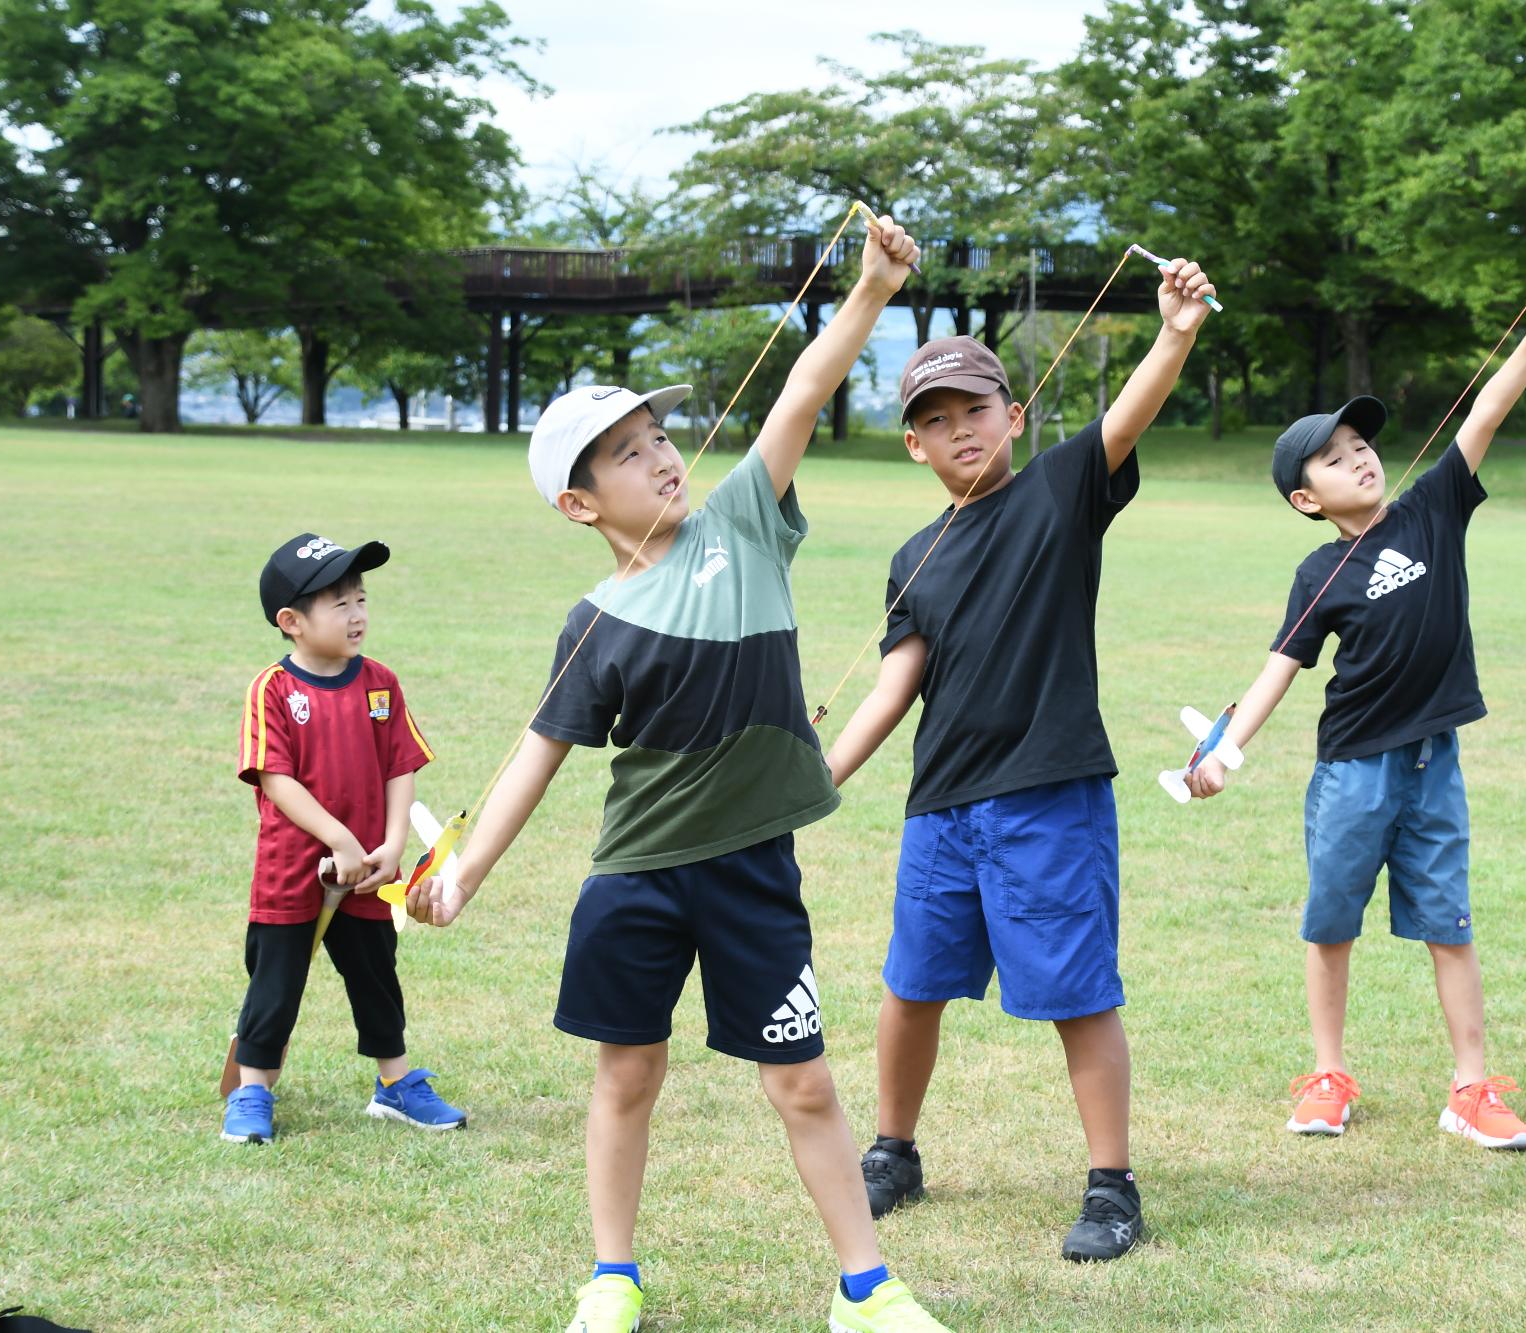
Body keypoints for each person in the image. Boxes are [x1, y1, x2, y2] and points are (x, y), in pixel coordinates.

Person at [406, 218, 954, 1333]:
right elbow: (539, 753)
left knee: (800, 1080)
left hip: (752, 873)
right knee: (626, 1076)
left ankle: (866, 1286)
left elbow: (797, 393)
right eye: (623, 451)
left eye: (657, 433)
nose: (659, 454)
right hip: (636, 880)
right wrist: (460, 873)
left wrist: (868, 293)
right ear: (578, 503)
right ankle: (611, 1275)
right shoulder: (593, 620)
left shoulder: (741, 525)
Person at [824, 257, 1219, 1262]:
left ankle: (1110, 1185)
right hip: (941, 808)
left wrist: (1171, 331)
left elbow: (1124, 418)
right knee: (910, 987)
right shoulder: (911, 557)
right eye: (939, 418)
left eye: (979, 407)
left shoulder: (1058, 491)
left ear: (1015, 414)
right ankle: (892, 1152)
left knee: (1077, 992)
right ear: (913, 444)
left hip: (1048, 797)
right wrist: (818, 776)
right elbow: (893, 685)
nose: (963, 428)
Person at [1186, 268, 1526, 1150]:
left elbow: (1484, 412)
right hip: (1352, 772)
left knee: (1451, 921)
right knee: (1332, 921)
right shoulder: (1316, 574)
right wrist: (1223, 752)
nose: (1359, 455)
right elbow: (1279, 670)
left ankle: (1472, 1087)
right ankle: (1328, 1074)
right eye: (1333, 457)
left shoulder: (1433, 508)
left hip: (1432, 763)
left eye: (1360, 443)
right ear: (1306, 498)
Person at [225, 533, 463, 1144]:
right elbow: (275, 779)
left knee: (377, 977)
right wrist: (338, 838)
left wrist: (387, 845)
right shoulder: (272, 690)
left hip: (370, 871)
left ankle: (396, 1086)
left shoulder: (380, 682)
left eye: (361, 598)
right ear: (291, 621)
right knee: (275, 982)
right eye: (339, 603)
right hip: (292, 871)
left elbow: (400, 767)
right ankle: (252, 1089)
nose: (357, 613)